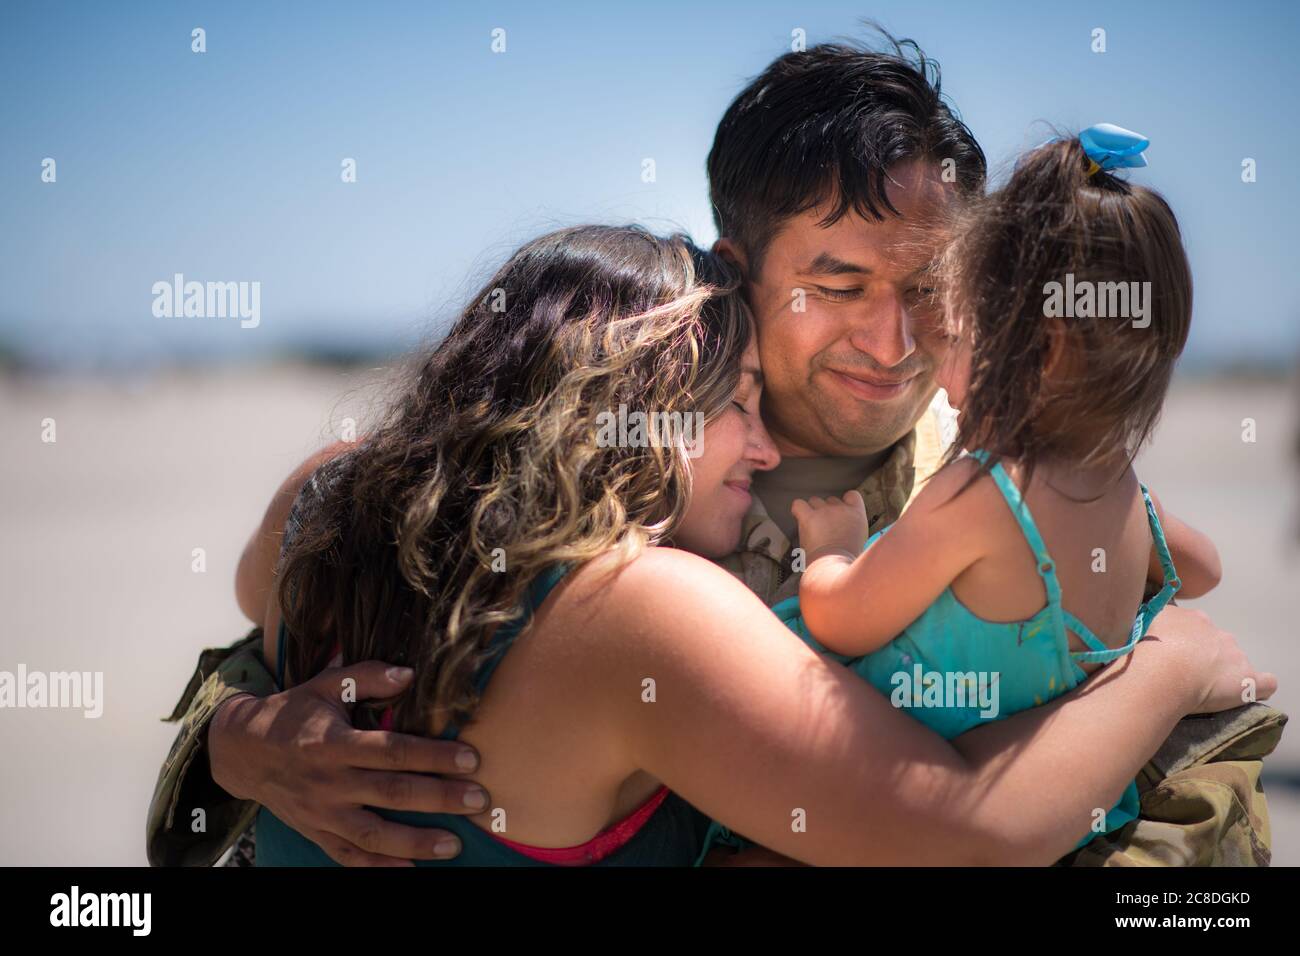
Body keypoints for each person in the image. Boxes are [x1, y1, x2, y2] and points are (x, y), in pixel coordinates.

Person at [146, 31, 1286, 867]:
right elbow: (274, 691)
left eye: (932, 293)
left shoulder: (1001, 480)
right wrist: (232, 748)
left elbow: (1200, 769)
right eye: (836, 285)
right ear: (735, 268)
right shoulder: (578, 484)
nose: (893, 343)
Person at [703, 126, 1225, 856]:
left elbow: (841, 620)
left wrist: (832, 552)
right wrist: (1168, 654)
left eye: (953, 334)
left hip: (880, 815)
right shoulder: (1123, 487)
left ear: (1035, 350)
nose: (919, 362)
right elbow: (1201, 570)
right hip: (1078, 811)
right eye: (842, 288)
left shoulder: (977, 490)